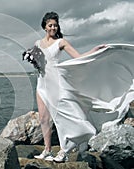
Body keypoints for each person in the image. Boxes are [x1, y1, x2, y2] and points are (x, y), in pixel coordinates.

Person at [32, 11, 108, 162]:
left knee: (60, 117)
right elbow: (38, 62)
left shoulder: (61, 42)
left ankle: (63, 151)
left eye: (55, 25)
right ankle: (47, 150)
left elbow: (78, 57)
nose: (53, 27)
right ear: (45, 27)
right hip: (41, 82)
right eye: (50, 25)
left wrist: (95, 51)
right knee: (43, 118)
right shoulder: (37, 43)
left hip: (55, 83)